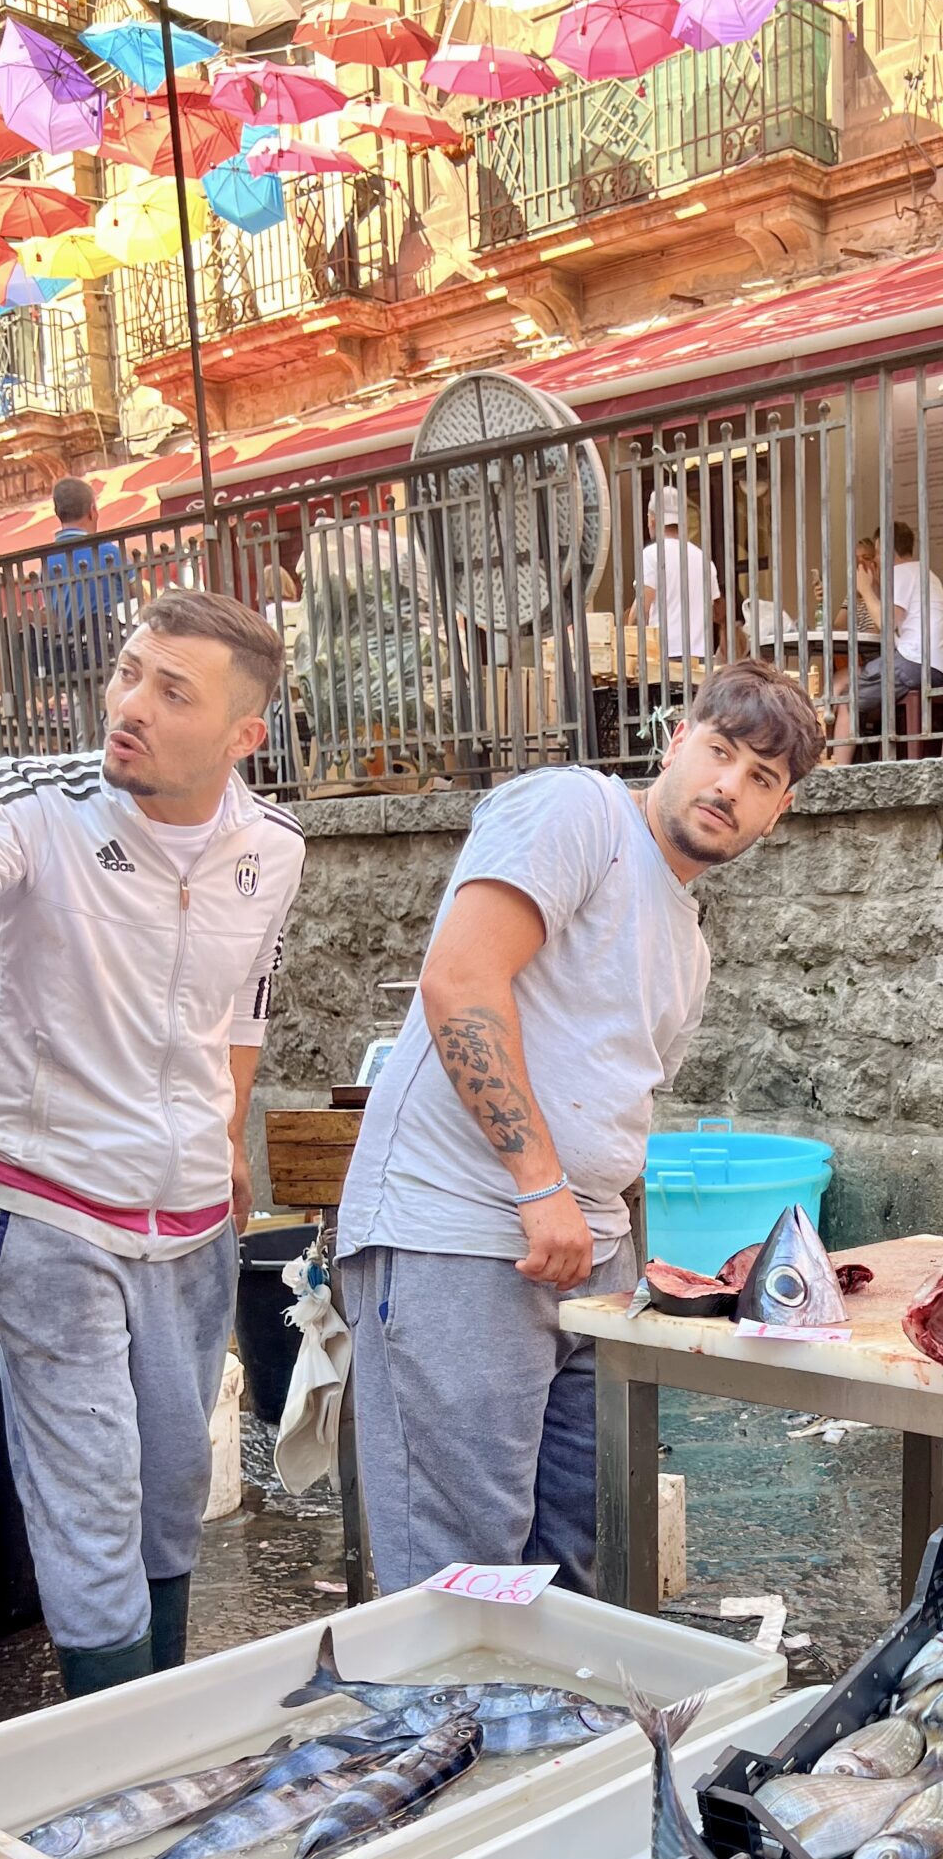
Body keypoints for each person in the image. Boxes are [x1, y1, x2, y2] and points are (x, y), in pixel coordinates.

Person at [336, 660, 822, 1596]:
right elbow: (461, 981)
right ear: (676, 741)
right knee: (458, 1571)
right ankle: (431, 1741)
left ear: (777, 814)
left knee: (571, 1560)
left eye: (762, 779)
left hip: (584, 1256)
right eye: (720, 753)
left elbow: (610, 1105)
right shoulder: (577, 814)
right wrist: (539, 1185)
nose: (730, 786)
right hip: (460, 1237)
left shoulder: (690, 942)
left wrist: (618, 1244)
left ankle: (552, 1745)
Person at [0, 592, 303, 1695]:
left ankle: (162, 1710)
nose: (128, 704)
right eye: (128, 670)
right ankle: (119, 1749)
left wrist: (227, 1134)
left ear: (244, 735)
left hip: (188, 1209)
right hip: (45, 1197)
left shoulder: (273, 847)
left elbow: (245, 1008)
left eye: (170, 689)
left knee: (173, 1479)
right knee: (88, 1486)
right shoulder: (33, 803)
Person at [827, 522, 943, 758]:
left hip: (913, 663)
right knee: (849, 677)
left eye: (876, 553)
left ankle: (836, 772)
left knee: (848, 698)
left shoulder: (902, 573)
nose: (875, 560)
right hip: (934, 666)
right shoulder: (924, 572)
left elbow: (886, 625)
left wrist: (864, 589)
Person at [36, 476, 130, 742]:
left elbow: (49, 612)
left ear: (58, 513)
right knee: (117, 718)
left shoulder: (47, 562)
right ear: (92, 510)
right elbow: (137, 594)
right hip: (111, 649)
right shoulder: (106, 551)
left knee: (84, 727)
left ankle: (87, 769)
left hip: (72, 655)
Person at [630, 486, 725, 666]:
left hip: (665, 658)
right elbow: (717, 612)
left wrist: (633, 650)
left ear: (651, 520)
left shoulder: (652, 555)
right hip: (701, 661)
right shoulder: (704, 560)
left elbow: (641, 611)